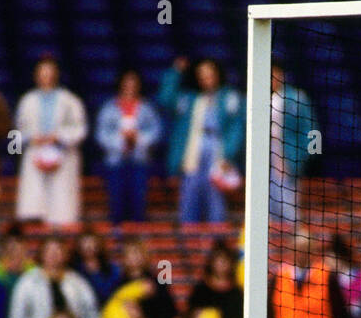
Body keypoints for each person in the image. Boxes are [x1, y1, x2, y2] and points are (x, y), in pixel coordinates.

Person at [159, 57, 245, 226]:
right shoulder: (190, 99)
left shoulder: (229, 97)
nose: (206, 79)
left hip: (217, 155)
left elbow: (236, 129)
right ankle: (188, 246)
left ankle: (216, 246)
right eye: (202, 75)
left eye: (210, 74)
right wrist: (175, 73)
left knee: (216, 206)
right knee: (188, 202)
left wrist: (229, 155)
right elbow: (165, 99)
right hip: (193, 154)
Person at [15, 55, 88, 227]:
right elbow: (15, 135)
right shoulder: (26, 101)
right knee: (33, 205)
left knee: (61, 209)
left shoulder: (70, 100)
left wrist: (59, 136)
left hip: (62, 154)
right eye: (42, 73)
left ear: (56, 74)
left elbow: (80, 130)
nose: (45, 77)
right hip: (35, 153)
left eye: (49, 72)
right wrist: (30, 138)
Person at [5, 234, 98, 318]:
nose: (54, 255)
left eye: (58, 250)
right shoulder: (28, 282)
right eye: (49, 251)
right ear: (42, 254)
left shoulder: (78, 283)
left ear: (65, 255)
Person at [95, 70, 162, 227]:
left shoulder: (146, 108)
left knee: (138, 202)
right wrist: (121, 140)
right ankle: (116, 235)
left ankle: (138, 237)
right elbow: (102, 134)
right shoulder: (109, 108)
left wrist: (137, 138)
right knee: (116, 202)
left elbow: (156, 132)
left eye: (133, 83)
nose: (130, 86)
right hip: (115, 162)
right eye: (127, 83)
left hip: (139, 161)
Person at [99, 238, 177, 318]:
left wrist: (142, 316)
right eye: (129, 253)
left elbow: (169, 312)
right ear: (123, 258)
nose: (133, 257)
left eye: (136, 252)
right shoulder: (117, 284)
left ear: (145, 256)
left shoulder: (157, 282)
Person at [270, 62, 317, 228]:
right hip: (265, 155)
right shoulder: (258, 98)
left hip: (289, 155)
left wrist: (308, 157)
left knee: (288, 200)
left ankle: (295, 231)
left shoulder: (297, 98)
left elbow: (313, 130)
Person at [186, 240, 244, 318]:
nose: (222, 264)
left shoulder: (236, 292)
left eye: (225, 260)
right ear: (212, 262)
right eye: (219, 260)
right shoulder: (201, 290)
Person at [71, 227, 122, 307]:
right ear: (79, 246)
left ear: (98, 245)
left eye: (92, 242)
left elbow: (115, 291)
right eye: (85, 243)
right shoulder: (73, 269)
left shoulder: (111, 268)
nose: (88, 246)